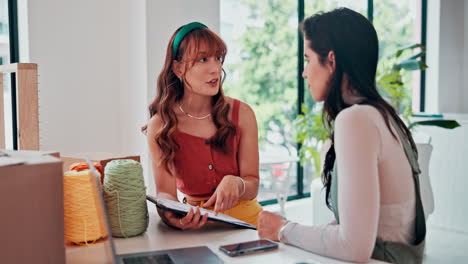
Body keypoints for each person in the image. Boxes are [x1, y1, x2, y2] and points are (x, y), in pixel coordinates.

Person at [257, 8, 426, 264]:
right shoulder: (384, 116)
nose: (304, 72)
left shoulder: (356, 120)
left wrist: (282, 229)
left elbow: (354, 248)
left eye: (308, 59)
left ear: (332, 61)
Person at [144, 22, 262, 230]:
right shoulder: (160, 126)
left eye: (218, 58)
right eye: (203, 59)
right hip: (195, 226)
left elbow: (252, 184)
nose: (215, 68)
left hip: (247, 223)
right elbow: (166, 194)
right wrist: (172, 218)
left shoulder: (242, 114)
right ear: (178, 68)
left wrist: (237, 183)